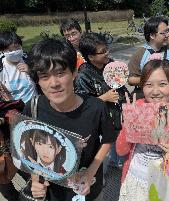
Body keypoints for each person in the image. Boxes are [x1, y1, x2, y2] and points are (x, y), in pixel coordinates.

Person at [24, 38, 115, 201]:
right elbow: (29, 147)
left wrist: (90, 172)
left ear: (74, 72)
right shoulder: (33, 108)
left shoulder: (96, 107)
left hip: (89, 191)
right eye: (44, 76)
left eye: (60, 73)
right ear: (37, 80)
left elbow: (107, 140)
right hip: (52, 193)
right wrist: (36, 180)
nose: (54, 83)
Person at [116, 59, 169, 201]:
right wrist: (128, 125)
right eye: (148, 85)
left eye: (162, 84)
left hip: (167, 181)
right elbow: (120, 151)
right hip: (136, 178)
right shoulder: (137, 107)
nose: (155, 92)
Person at [74, 32, 129, 168]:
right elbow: (83, 105)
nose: (107, 53)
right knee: (106, 145)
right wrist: (104, 98)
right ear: (91, 57)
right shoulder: (83, 76)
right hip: (101, 120)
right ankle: (101, 172)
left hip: (118, 113)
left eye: (107, 49)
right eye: (102, 51)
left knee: (119, 138)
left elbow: (121, 85)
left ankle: (117, 161)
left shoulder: (110, 64)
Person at [128, 16, 169, 98]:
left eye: (167, 31)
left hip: (167, 96)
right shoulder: (140, 54)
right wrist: (151, 80)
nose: (167, 35)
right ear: (152, 35)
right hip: (146, 96)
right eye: (163, 33)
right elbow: (131, 79)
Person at [0, 31, 36, 103]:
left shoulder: (28, 58)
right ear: (2, 51)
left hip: (34, 105)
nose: (15, 51)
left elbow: (42, 78)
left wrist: (30, 71)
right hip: (15, 108)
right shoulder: (1, 66)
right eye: (10, 50)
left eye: (17, 48)